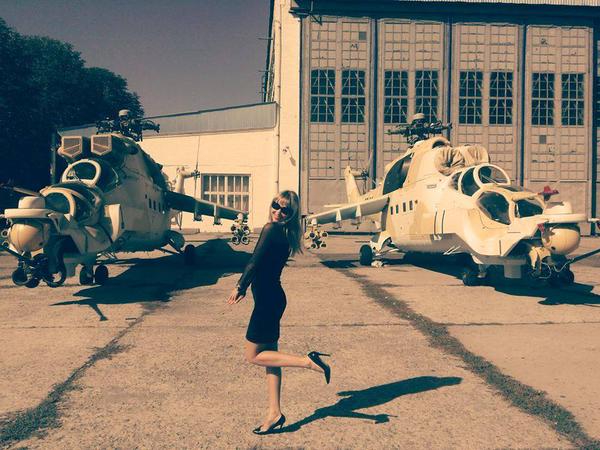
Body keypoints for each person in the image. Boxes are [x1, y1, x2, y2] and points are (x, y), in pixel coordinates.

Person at [227, 190, 331, 435]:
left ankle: (308, 362)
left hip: (267, 301)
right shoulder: (287, 233)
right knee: (271, 357)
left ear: (292, 214)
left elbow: (254, 261)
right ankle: (274, 413)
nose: (278, 212)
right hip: (273, 298)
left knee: (253, 355)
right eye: (276, 205)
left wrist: (240, 286)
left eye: (286, 210)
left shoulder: (271, 229)